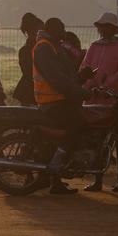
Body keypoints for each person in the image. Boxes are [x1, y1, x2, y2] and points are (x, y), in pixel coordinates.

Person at [33, 17, 93, 195]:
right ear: (51, 29)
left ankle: (57, 180)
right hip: (52, 102)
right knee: (78, 123)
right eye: (61, 28)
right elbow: (57, 79)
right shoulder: (44, 47)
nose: (64, 31)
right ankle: (57, 162)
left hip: (60, 99)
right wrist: (81, 92)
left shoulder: (54, 46)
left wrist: (82, 77)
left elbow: (66, 76)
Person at [79, 12, 118, 192]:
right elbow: (84, 68)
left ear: (112, 28)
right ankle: (97, 179)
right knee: (96, 141)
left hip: (115, 99)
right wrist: (90, 87)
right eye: (101, 27)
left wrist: (107, 85)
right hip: (94, 99)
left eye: (105, 27)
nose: (102, 30)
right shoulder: (94, 47)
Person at [13, 13, 44, 106]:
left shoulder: (41, 48)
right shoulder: (26, 51)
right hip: (29, 93)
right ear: (32, 31)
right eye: (41, 31)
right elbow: (29, 73)